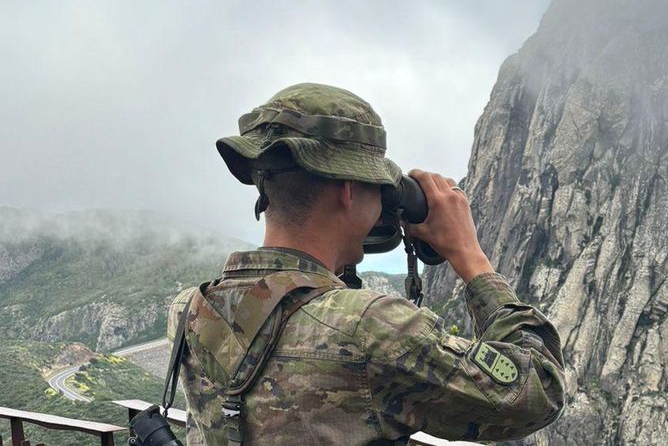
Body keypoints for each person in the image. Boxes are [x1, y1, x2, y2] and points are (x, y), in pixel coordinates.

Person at [167, 82, 565, 445]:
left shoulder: (189, 310)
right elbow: (537, 391)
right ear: (347, 189)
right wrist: (469, 255)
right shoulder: (370, 330)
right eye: (379, 188)